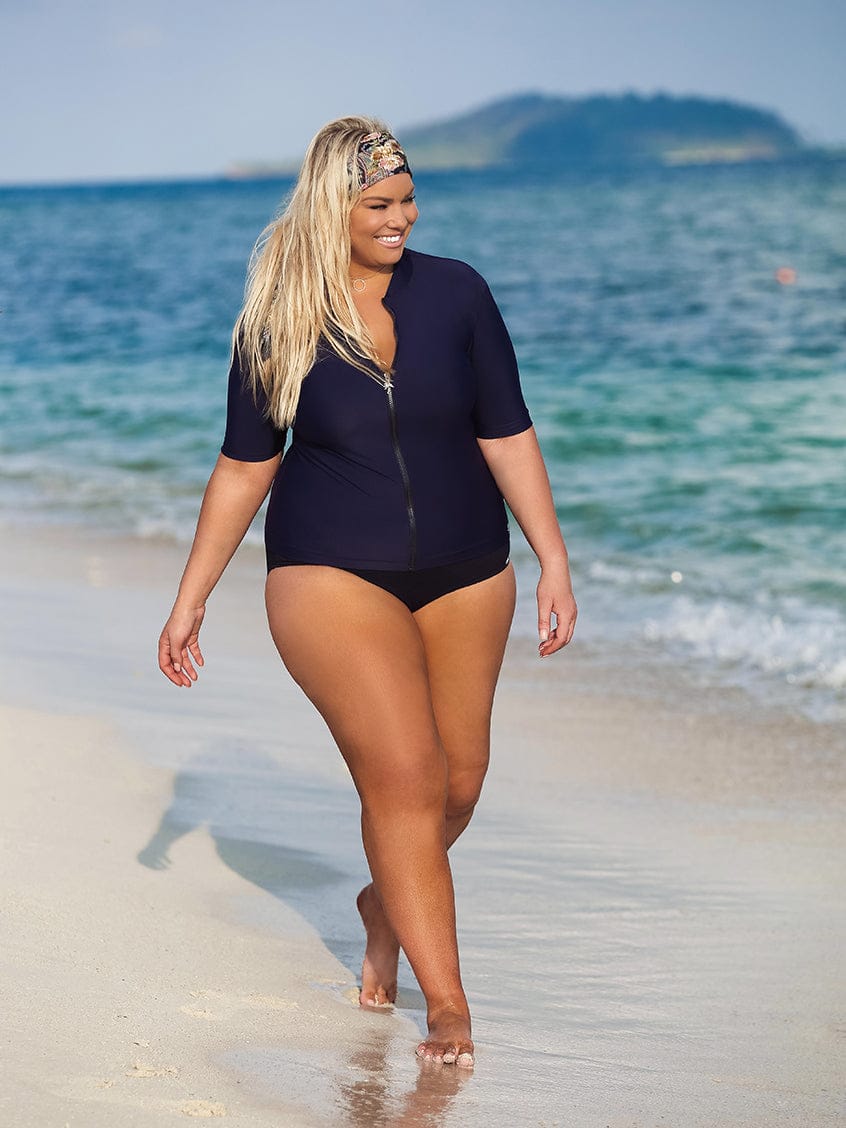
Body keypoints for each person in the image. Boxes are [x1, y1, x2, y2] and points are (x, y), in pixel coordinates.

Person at [158, 116, 577, 1068]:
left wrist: (552, 556)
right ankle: (450, 1008)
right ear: (331, 206)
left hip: (468, 565)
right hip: (328, 566)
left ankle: (383, 905)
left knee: (459, 781)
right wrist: (191, 598)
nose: (399, 220)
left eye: (407, 201)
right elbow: (243, 467)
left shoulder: (459, 293)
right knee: (406, 775)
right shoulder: (279, 317)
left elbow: (506, 430)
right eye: (378, 205)